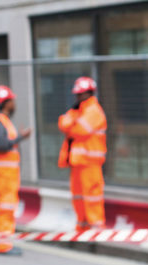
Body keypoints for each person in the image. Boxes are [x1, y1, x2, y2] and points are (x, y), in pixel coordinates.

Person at [0, 85, 32, 255]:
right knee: (5, 210)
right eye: (11, 100)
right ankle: (2, 245)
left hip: (5, 176)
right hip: (3, 176)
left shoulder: (1, 120)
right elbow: (0, 145)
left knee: (5, 210)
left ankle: (4, 242)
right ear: (5, 103)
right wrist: (20, 137)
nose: (14, 103)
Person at [58, 76, 107, 231]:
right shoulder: (78, 110)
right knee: (78, 195)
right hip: (77, 161)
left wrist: (71, 125)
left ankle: (96, 226)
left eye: (81, 94)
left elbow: (80, 131)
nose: (78, 97)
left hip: (90, 163)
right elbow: (62, 123)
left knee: (92, 195)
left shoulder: (94, 111)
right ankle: (83, 224)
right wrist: (71, 124)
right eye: (77, 94)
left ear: (90, 93)